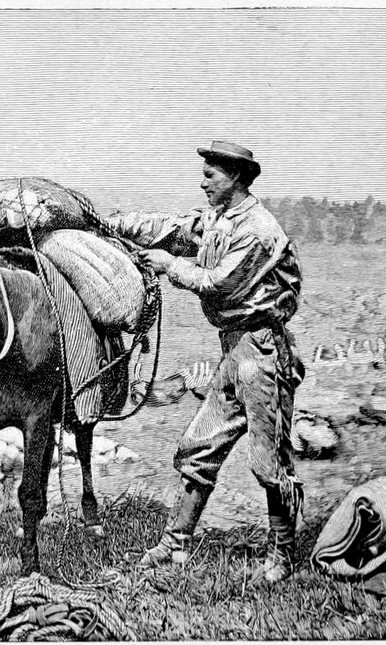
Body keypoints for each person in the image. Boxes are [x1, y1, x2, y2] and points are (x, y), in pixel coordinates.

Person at [103, 141, 304, 582]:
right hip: (234, 351)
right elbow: (171, 227)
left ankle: (283, 554)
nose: (202, 182)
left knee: (269, 461)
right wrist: (109, 223)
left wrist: (168, 265)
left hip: (263, 353)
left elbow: (217, 283)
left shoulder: (258, 229)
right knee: (199, 446)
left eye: (210, 175)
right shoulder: (218, 219)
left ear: (236, 177)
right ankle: (175, 544)